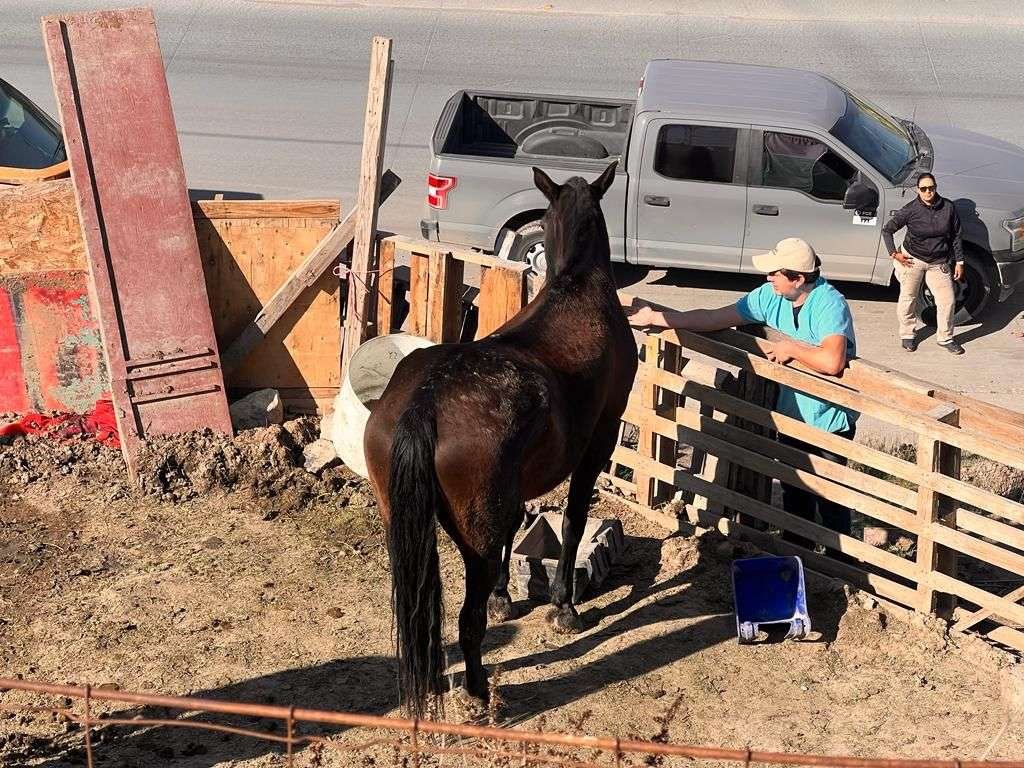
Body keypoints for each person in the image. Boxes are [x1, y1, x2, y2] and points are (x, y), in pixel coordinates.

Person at [624, 237, 858, 558]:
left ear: (798, 279)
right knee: (794, 492)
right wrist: (658, 319)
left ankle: (839, 565)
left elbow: (833, 361)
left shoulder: (829, 304)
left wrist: (791, 349)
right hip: (790, 414)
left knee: (829, 498)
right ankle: (798, 559)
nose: (768, 278)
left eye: (775, 273)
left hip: (827, 419)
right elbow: (712, 318)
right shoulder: (770, 297)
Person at [882, 172, 966, 355]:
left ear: (936, 187)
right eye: (924, 189)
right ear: (918, 190)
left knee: (947, 300)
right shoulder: (910, 210)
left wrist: (959, 262)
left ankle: (945, 338)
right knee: (908, 297)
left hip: (938, 261)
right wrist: (894, 254)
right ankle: (907, 335)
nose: (929, 192)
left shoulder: (948, 208)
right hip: (913, 259)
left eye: (932, 188)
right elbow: (887, 230)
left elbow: (956, 236)